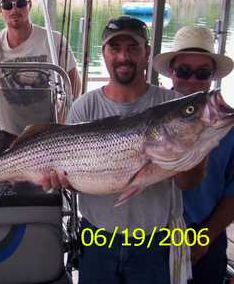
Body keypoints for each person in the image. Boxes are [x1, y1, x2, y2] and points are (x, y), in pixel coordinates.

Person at [55, 16, 205, 284]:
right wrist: (62, 182)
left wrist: (195, 145)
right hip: (98, 236)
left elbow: (188, 182)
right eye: (115, 48)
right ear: (104, 54)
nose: (123, 56)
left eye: (133, 48)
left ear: (147, 52)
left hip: (155, 240)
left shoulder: (171, 104)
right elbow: (75, 183)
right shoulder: (83, 107)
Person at [153, 25, 234, 284]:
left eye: (202, 73)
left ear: (212, 77)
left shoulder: (228, 125)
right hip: (149, 237)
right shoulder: (147, 116)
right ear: (172, 73)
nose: (192, 80)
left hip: (205, 234)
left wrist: (204, 239)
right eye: (184, 71)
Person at [0, 0, 81, 135]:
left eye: (20, 3)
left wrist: (64, 118)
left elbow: (73, 84)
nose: (14, 9)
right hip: (9, 136)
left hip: (47, 135)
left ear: (29, 5)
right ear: (0, 10)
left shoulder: (55, 41)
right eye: (7, 5)